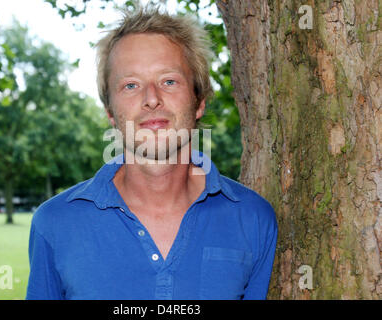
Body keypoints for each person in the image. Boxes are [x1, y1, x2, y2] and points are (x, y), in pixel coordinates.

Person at [26, 6, 278, 300]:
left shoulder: (253, 219)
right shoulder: (55, 224)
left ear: (199, 101)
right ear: (110, 112)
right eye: (130, 85)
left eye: (169, 81)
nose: (152, 99)